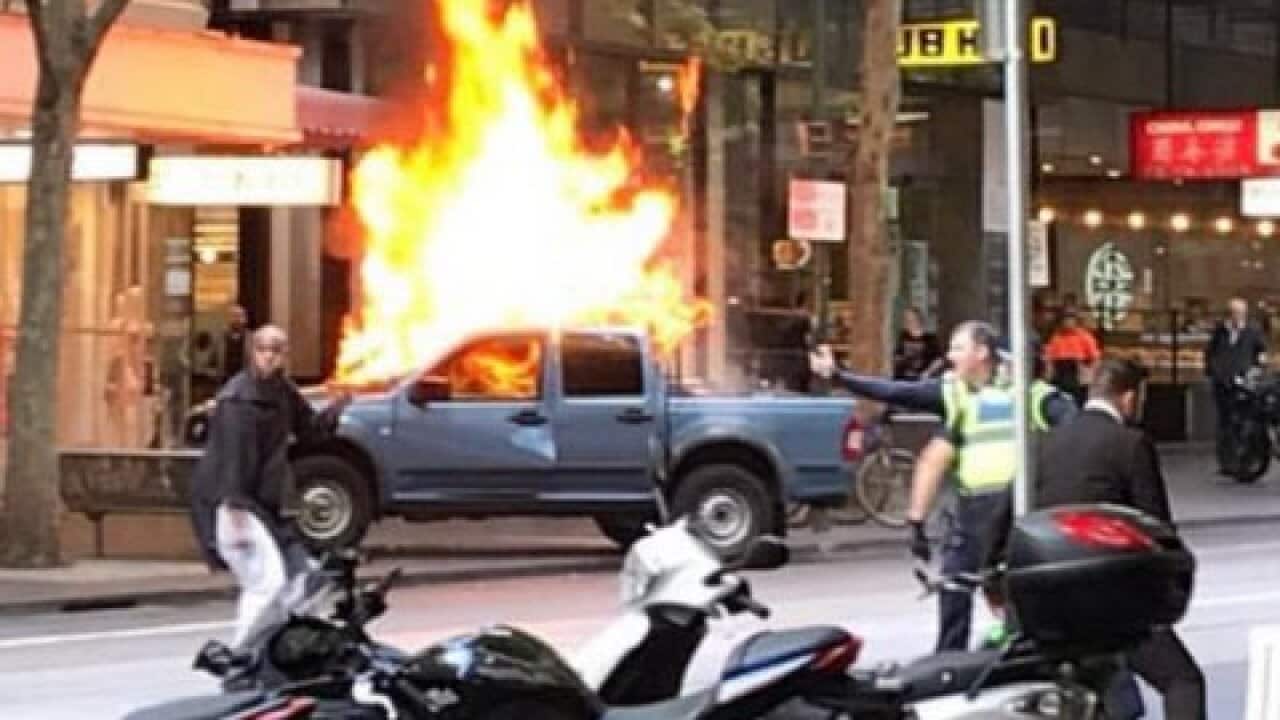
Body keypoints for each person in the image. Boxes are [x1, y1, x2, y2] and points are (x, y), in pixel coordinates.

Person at [811, 322, 1075, 651]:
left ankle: (1027, 656)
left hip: (1018, 512)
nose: (950, 357)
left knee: (1018, 593)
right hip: (973, 511)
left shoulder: (1038, 398)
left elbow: (1077, 442)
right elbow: (897, 392)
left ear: (982, 354)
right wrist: (839, 376)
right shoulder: (956, 393)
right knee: (954, 588)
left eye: (957, 349)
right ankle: (949, 662)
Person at [984, 358, 1206, 720]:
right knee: (1182, 680)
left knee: (1095, 692)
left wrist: (992, 581)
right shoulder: (1129, 444)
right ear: (1130, 397)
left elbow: (1001, 518)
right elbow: (1156, 526)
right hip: (1109, 599)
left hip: (1046, 603)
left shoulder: (1042, 443)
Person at [188, 325, 352, 655]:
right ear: (253, 352)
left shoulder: (281, 391)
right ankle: (245, 654)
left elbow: (309, 433)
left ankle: (277, 650)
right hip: (237, 505)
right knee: (265, 583)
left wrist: (336, 407)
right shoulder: (238, 400)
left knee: (299, 576)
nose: (269, 357)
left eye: (276, 351)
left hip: (265, 503)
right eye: (264, 349)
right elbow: (232, 458)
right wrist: (233, 506)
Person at [1205, 297, 1267, 472]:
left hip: (1244, 383)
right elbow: (1211, 353)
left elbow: (1260, 353)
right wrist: (1214, 372)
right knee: (1224, 422)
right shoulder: (1220, 331)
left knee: (1240, 421)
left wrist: (1255, 371)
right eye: (1235, 313)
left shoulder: (1252, 331)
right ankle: (1225, 461)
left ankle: (1242, 458)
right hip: (1222, 383)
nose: (1238, 317)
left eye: (1241, 313)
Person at [1044, 309, 1101, 407]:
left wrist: (1090, 376)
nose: (1067, 322)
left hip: (1078, 375)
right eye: (1065, 318)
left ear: (1076, 320)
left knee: (1078, 404)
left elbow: (1095, 359)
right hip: (1060, 374)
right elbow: (1049, 359)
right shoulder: (1056, 338)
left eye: (1070, 318)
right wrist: (1048, 377)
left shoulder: (1085, 337)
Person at [893, 307, 944, 380]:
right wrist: (898, 360)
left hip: (921, 380)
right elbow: (897, 355)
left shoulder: (930, 338)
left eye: (910, 319)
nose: (907, 322)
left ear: (918, 320)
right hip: (902, 379)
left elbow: (939, 360)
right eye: (906, 319)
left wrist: (928, 372)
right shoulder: (903, 336)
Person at [222, 304, 249, 384]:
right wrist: (217, 374)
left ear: (245, 319)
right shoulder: (219, 339)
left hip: (246, 383)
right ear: (228, 319)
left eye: (240, 316)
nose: (237, 319)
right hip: (225, 384)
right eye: (233, 316)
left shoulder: (253, 339)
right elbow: (208, 363)